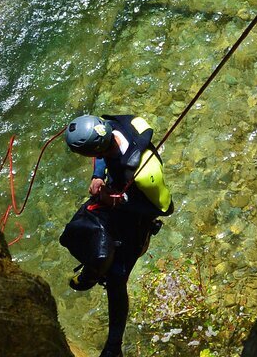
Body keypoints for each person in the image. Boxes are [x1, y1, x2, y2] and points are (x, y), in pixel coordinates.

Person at [63, 114, 174, 357]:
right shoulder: (109, 126)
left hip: (135, 218)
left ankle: (114, 346)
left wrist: (119, 202)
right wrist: (98, 175)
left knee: (116, 278)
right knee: (83, 232)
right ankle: (92, 271)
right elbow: (100, 152)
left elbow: (165, 208)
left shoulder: (144, 171)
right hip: (116, 196)